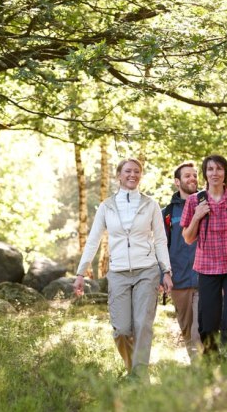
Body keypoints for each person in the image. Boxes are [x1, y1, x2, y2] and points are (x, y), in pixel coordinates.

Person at [74, 158, 174, 377]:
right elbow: (93, 240)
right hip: (118, 273)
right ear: (118, 175)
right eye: (128, 171)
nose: (132, 175)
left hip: (146, 271)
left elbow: (160, 240)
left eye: (137, 171)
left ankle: (140, 376)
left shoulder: (150, 205)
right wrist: (81, 273)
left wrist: (165, 270)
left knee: (142, 326)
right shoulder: (107, 206)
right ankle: (132, 370)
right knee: (121, 330)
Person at [181, 154, 227, 354]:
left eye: (219, 169)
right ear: (205, 173)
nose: (215, 173)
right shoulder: (194, 201)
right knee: (208, 325)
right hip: (207, 267)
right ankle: (211, 363)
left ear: (225, 172)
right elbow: (188, 238)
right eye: (210, 169)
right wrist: (197, 217)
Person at [162, 162, 202, 361]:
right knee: (187, 331)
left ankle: (203, 373)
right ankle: (200, 370)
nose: (193, 178)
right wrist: (164, 274)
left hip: (206, 278)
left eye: (194, 175)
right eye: (187, 176)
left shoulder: (208, 204)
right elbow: (160, 247)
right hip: (179, 281)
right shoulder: (167, 213)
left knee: (199, 330)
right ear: (177, 182)